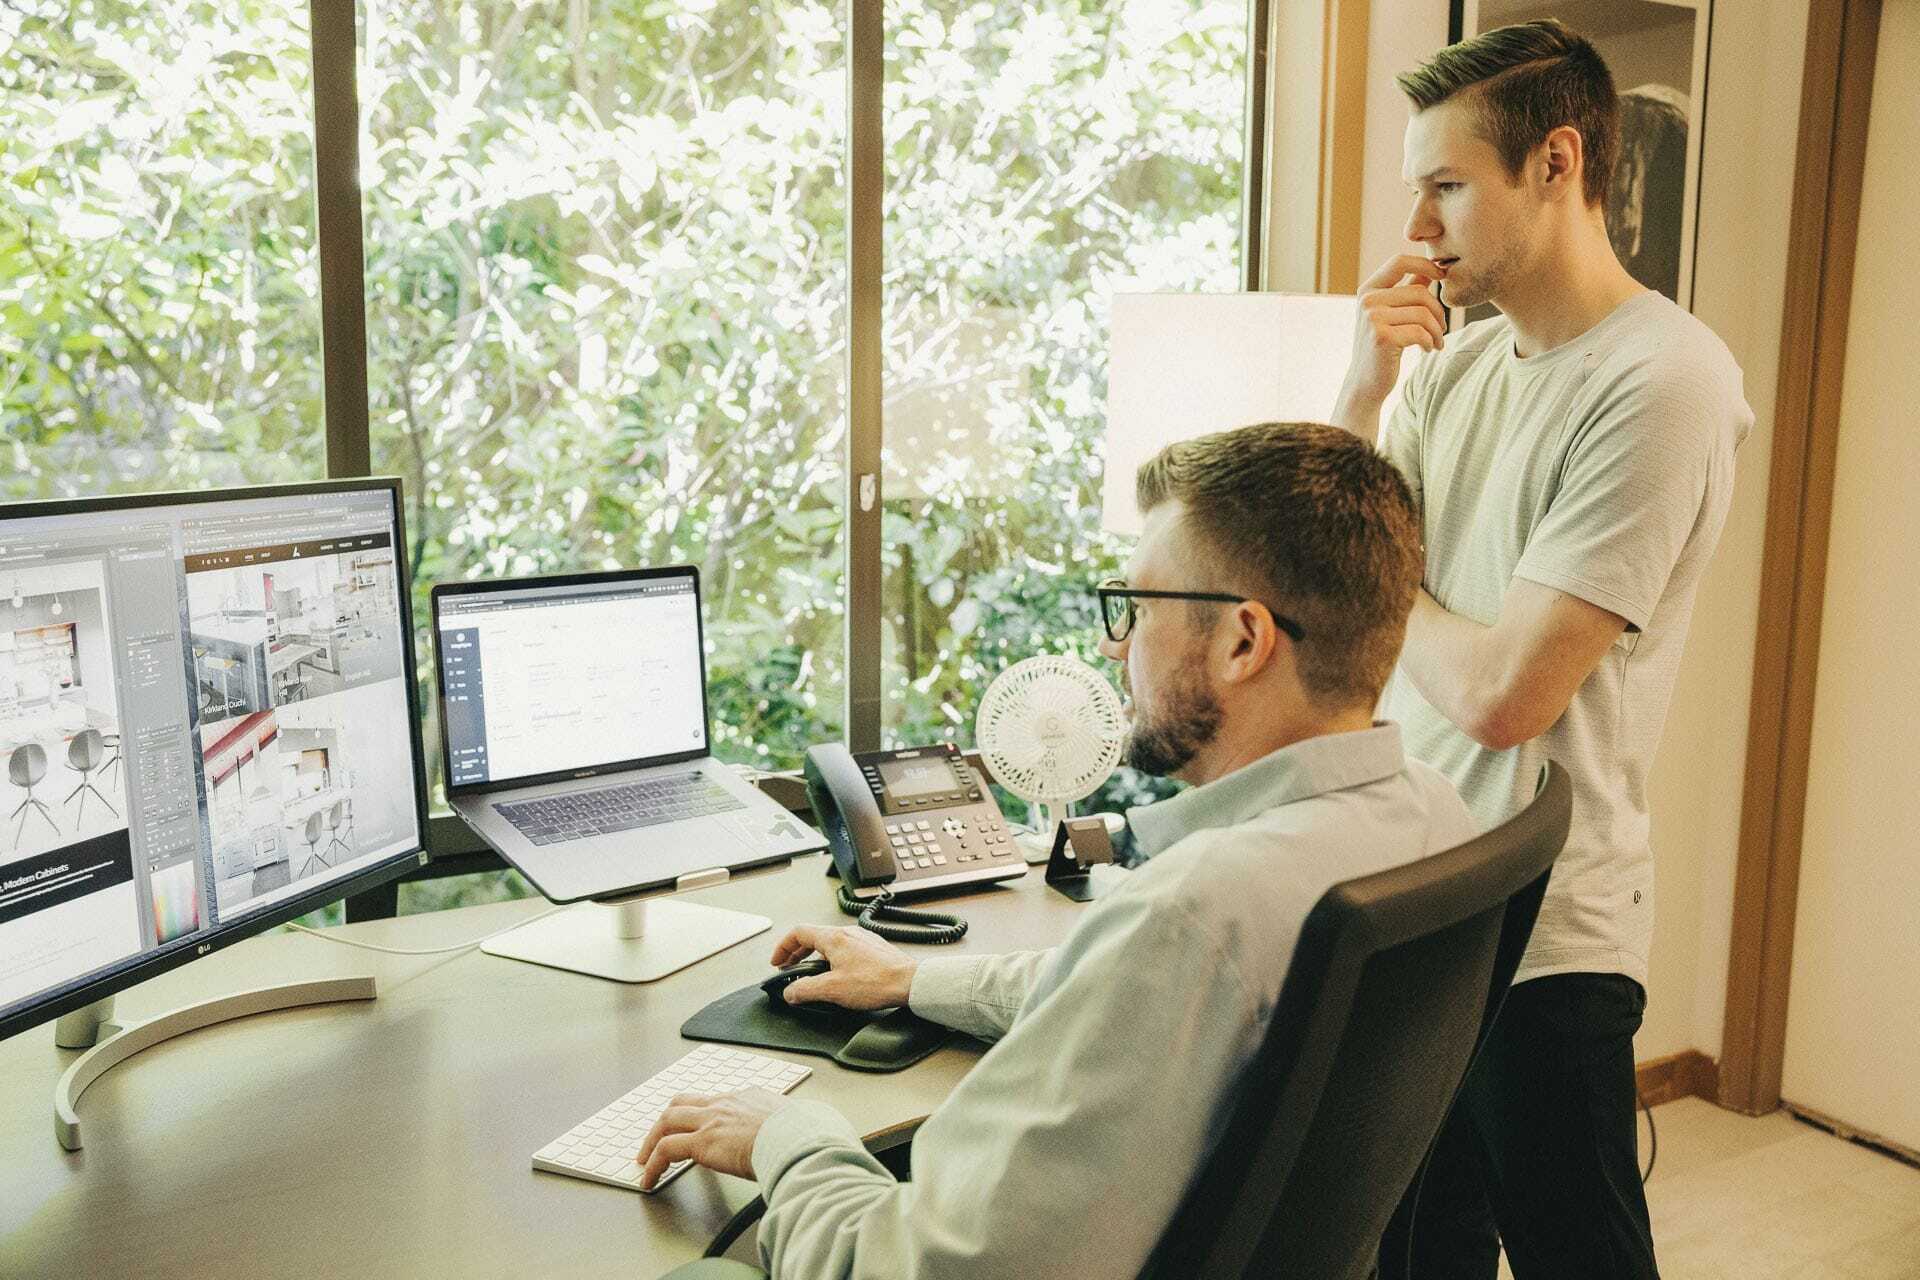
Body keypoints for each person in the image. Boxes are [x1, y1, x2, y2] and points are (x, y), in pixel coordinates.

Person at [636, 421, 1475, 1277]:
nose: (1116, 645)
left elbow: (919, 1268)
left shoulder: (1194, 912)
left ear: (1243, 641)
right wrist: (912, 978)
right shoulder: (1430, 820)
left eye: (1137, 608)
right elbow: (1137, 993)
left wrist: (794, 1140)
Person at [1330, 21, 1754, 1280]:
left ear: (1557, 162)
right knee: (1417, 1253)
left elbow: (1511, 694)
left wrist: (1391, 590)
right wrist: (1361, 394)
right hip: (1418, 889)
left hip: (1546, 927)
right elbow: (1342, 583)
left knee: (1584, 1258)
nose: (1418, 223)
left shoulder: (1664, 380)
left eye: (1448, 182)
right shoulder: (1458, 369)